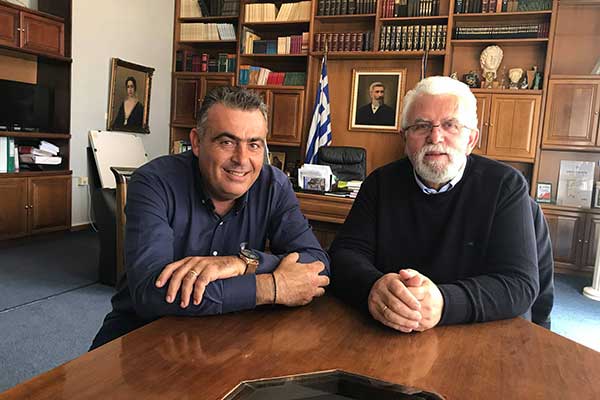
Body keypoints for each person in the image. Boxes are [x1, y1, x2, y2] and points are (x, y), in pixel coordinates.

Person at [91, 86, 330, 349]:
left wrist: (242, 264)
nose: (242, 159)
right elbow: (151, 294)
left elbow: (317, 265)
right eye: (227, 142)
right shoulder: (153, 183)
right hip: (143, 334)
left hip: (230, 336)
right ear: (196, 142)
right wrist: (269, 287)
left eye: (254, 144)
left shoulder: (274, 185)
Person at [330, 76, 543, 333]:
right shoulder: (379, 184)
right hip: (390, 330)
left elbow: (520, 284)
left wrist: (444, 302)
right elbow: (343, 255)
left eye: (450, 125)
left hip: (477, 334)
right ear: (404, 139)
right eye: (421, 126)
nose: (435, 137)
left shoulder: (505, 185)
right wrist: (373, 286)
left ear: (471, 139)